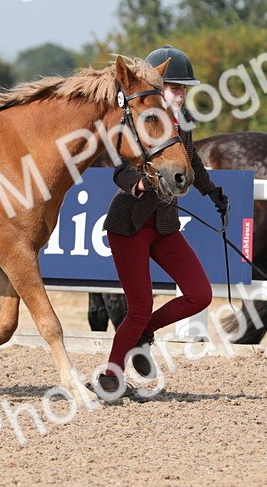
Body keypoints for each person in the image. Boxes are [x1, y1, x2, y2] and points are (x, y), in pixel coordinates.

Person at [97, 45, 229, 397]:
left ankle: (143, 335)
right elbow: (118, 171)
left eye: (184, 89)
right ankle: (110, 377)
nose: (181, 94)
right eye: (174, 88)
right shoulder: (134, 123)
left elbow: (192, 165)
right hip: (130, 224)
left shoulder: (181, 124)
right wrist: (138, 184)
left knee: (200, 294)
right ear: (155, 90)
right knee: (139, 307)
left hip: (165, 224)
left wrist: (212, 192)